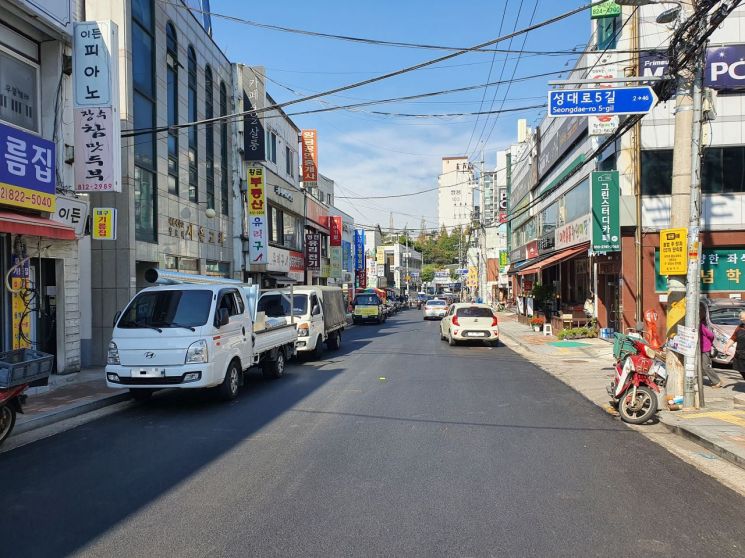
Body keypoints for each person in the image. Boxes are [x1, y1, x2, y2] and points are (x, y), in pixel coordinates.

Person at [700, 317, 723, 388]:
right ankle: (714, 380)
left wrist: (709, 343)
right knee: (702, 366)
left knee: (705, 366)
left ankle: (717, 381)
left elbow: (711, 335)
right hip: (699, 349)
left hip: (705, 348)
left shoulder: (700, 326)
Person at [723, 310, 745, 381]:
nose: (741, 321)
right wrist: (727, 346)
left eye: (743, 319)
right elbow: (733, 338)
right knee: (741, 370)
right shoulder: (739, 327)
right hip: (740, 353)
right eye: (741, 319)